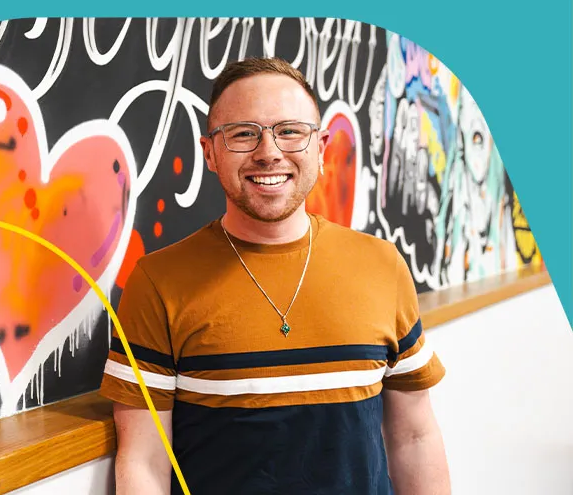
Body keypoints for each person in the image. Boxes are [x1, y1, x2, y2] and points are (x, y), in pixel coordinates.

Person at [99, 56, 450, 494]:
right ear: (209, 152)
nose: (269, 152)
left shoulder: (382, 266)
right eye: (243, 134)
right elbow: (145, 461)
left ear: (321, 148)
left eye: (290, 131)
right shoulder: (157, 282)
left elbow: (414, 437)